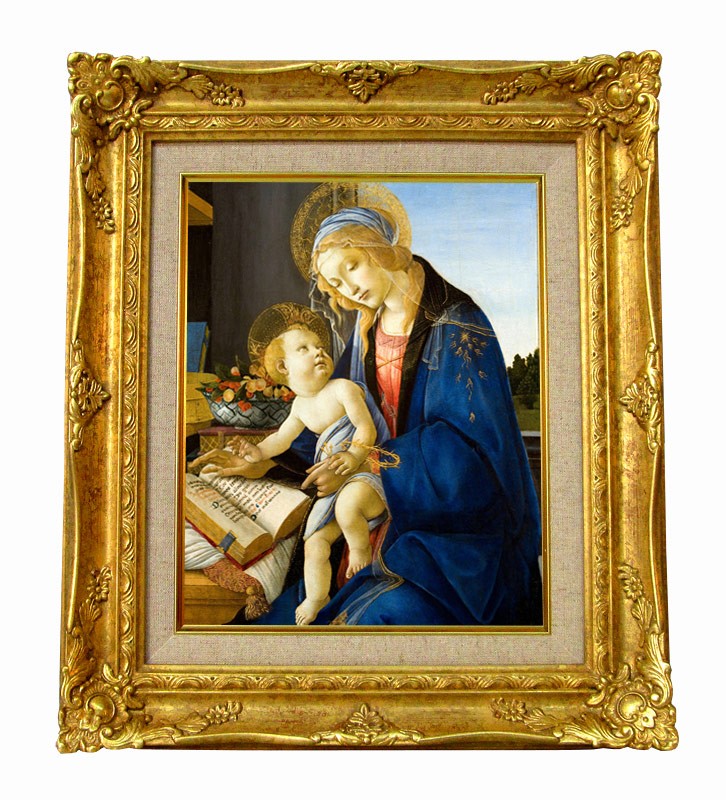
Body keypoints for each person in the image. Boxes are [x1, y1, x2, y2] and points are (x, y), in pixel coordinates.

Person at [194, 199, 542, 626]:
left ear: (380, 247)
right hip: (369, 509)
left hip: (446, 533)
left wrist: (368, 462)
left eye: (353, 266)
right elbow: (331, 422)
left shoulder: (457, 325)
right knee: (282, 621)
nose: (350, 288)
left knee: (374, 620)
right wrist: (263, 462)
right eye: (336, 282)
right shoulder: (367, 332)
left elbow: (472, 450)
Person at [238, 323, 388, 624]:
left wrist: (353, 455)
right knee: (314, 542)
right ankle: (317, 596)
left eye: (320, 346)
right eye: (304, 349)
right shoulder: (300, 406)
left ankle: (360, 550)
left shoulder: (343, 388)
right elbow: (282, 439)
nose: (319, 352)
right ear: (284, 367)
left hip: (366, 475)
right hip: (335, 486)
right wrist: (258, 452)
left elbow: (366, 429)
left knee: (348, 506)